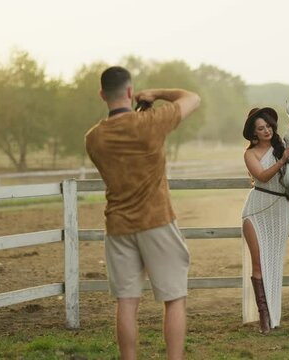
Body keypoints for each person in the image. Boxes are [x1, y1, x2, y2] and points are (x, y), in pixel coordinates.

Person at [84, 66, 200, 360]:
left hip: (119, 226)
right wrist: (157, 94)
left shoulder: (93, 138)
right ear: (130, 91)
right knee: (174, 298)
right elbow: (192, 98)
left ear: (101, 95)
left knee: (127, 301)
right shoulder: (150, 123)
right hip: (156, 220)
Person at [241, 107, 289, 334]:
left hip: (280, 210)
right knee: (258, 264)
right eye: (261, 128)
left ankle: (274, 316)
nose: (266, 131)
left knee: (274, 263)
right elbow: (262, 177)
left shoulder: (281, 148)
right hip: (256, 210)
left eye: (269, 126)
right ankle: (264, 318)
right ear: (254, 133)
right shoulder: (250, 154)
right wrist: (282, 161)